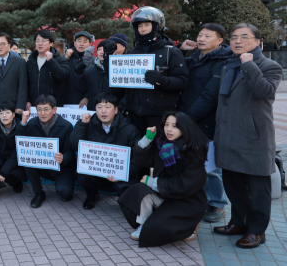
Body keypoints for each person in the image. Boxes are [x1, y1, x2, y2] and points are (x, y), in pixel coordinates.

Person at [212, 23, 282, 249]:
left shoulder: (270, 66)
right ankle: (239, 223)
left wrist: (249, 64)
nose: (237, 41)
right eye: (234, 37)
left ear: (257, 42)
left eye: (244, 37)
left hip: (254, 139)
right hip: (228, 136)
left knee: (258, 191)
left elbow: (265, 92)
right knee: (233, 186)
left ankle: (256, 231)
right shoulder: (228, 66)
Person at [118, 112, 208, 247]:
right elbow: (142, 161)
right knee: (137, 191)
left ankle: (189, 226)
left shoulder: (193, 153)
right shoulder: (163, 146)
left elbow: (184, 186)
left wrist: (153, 182)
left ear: (184, 128)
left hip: (187, 202)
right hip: (166, 196)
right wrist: (147, 139)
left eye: (175, 126)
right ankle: (144, 224)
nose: (169, 129)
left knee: (158, 229)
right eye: (166, 125)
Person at [176, 23, 233, 223]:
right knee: (190, 161)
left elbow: (210, 95)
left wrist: (188, 119)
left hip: (206, 120)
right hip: (187, 117)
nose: (201, 39)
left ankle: (217, 204)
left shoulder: (224, 61)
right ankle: (197, 198)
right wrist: (182, 51)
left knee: (210, 166)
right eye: (200, 35)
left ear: (219, 41)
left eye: (207, 36)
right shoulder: (194, 58)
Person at [121, 7, 188, 134]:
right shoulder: (131, 53)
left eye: (147, 25)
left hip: (160, 115)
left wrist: (162, 80)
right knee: (138, 149)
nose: (143, 29)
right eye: (139, 25)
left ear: (157, 26)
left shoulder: (171, 52)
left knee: (157, 150)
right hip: (134, 114)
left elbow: (183, 82)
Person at [70, 93, 140, 210]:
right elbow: (74, 145)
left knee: (127, 196)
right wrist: (82, 125)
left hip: (118, 176)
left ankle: (124, 201)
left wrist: (122, 173)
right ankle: (92, 196)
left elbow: (137, 159)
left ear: (116, 110)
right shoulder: (89, 124)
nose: (103, 111)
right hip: (96, 172)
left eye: (107, 107)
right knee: (81, 174)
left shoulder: (130, 130)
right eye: (99, 107)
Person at [19, 94, 76, 208]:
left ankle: (65, 187)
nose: (42, 113)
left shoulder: (66, 126)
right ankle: (39, 193)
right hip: (42, 166)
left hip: (61, 169)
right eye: (39, 110)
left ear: (54, 110)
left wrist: (63, 158)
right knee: (27, 161)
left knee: (65, 192)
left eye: (46, 109)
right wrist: (23, 123)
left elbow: (70, 153)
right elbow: (22, 145)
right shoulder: (32, 123)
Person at [73, 40, 124, 110]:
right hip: (93, 110)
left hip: (113, 111)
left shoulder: (120, 70)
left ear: (113, 52)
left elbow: (124, 93)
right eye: (99, 49)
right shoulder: (90, 71)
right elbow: (82, 88)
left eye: (105, 49)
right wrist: (79, 73)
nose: (102, 52)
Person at [26, 30, 71, 108]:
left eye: (43, 41)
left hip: (52, 105)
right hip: (34, 105)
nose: (40, 43)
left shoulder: (59, 59)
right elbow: (26, 83)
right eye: (37, 41)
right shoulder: (30, 61)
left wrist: (51, 61)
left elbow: (63, 76)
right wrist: (27, 100)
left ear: (51, 43)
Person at [65, 31, 93, 105]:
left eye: (85, 41)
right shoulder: (67, 58)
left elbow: (94, 82)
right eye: (79, 41)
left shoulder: (93, 60)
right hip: (66, 101)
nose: (81, 44)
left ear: (90, 44)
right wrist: (65, 58)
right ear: (74, 43)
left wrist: (87, 96)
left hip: (85, 103)